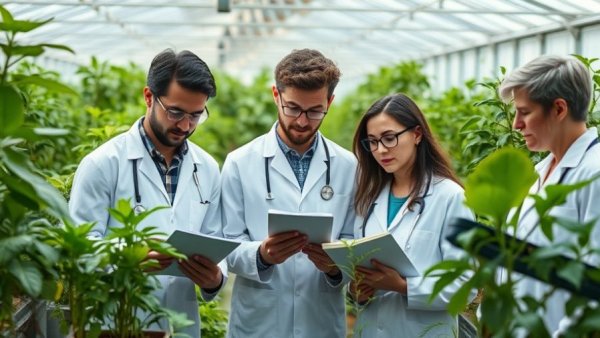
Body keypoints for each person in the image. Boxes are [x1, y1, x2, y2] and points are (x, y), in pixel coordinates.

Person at [69, 49, 225, 337]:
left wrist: (214, 278)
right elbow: (80, 250)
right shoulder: (102, 164)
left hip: (180, 323)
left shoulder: (207, 168)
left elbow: (215, 239)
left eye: (196, 115)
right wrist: (130, 257)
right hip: (116, 322)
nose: (185, 125)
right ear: (149, 97)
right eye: (175, 112)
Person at [221, 49, 357, 337]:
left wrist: (335, 265)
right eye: (292, 108)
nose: (302, 121)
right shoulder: (240, 162)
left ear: (330, 102)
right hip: (259, 323)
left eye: (315, 111)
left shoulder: (348, 165)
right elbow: (226, 244)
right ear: (276, 95)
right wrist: (261, 255)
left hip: (319, 321)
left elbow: (355, 241)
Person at [349, 93, 475, 337]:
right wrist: (358, 292)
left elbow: (465, 285)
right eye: (372, 142)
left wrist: (403, 287)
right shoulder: (368, 197)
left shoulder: (450, 197)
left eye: (389, 138)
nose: (380, 150)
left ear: (417, 134)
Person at [498, 55, 600, 335]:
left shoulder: (594, 174)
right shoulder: (541, 170)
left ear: (558, 108)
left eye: (525, 112)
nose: (517, 124)